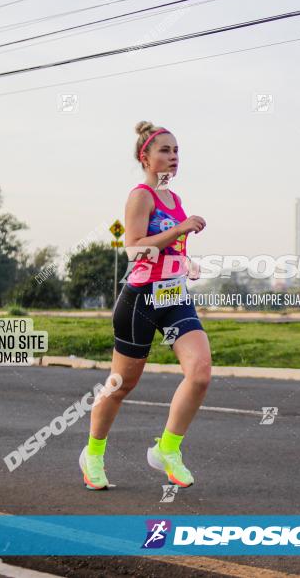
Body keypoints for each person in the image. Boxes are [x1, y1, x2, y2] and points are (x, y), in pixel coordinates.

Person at [79, 121, 211, 490]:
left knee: (199, 372)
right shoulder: (141, 196)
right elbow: (135, 248)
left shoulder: (174, 199)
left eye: (177, 150)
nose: (173, 157)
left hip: (174, 297)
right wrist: (179, 230)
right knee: (122, 384)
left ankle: (167, 449)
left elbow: (169, 251)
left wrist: (187, 263)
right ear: (146, 158)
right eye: (165, 151)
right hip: (140, 300)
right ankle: (92, 454)